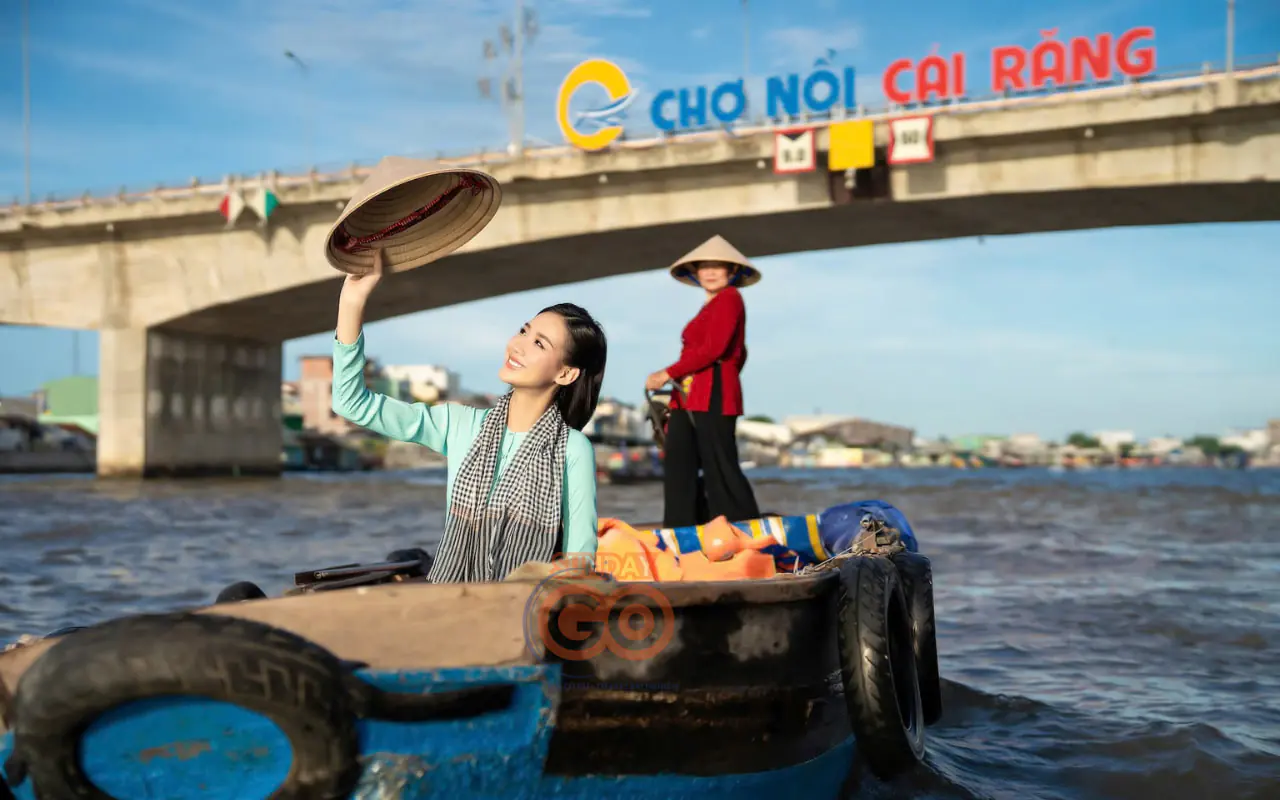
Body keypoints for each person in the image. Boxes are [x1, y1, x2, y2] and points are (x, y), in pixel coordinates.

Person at [323, 156, 607, 584]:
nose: (518, 345)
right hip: (452, 597)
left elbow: (581, 560)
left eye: (539, 343)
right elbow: (351, 403)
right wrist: (353, 302)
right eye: (524, 331)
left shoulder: (572, 451)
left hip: (524, 610)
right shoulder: (460, 425)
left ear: (566, 374)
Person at [645, 235, 761, 529]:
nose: (709, 272)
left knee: (719, 464)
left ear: (731, 271)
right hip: (688, 396)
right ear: (695, 272)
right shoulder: (710, 306)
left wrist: (667, 373)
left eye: (717, 266)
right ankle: (680, 529)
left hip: (714, 393)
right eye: (703, 266)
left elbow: (716, 349)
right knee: (678, 462)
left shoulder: (730, 298)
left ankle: (743, 527)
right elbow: (737, 351)